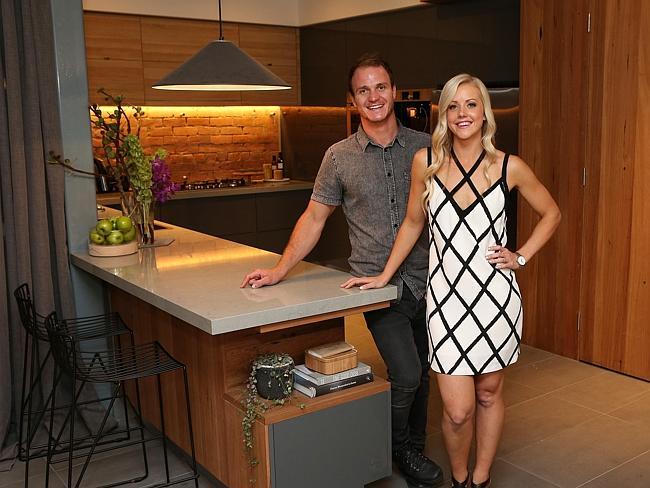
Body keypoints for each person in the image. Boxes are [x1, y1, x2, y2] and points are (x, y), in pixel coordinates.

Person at [342, 73, 561, 488]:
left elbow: (551, 213)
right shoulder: (426, 163)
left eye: (472, 105)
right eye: (454, 106)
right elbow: (412, 223)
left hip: (496, 300)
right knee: (458, 410)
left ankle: (478, 480)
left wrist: (521, 256)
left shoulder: (508, 166)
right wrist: (384, 277)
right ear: (445, 114)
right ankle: (459, 477)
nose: (463, 113)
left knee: (488, 395)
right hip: (445, 303)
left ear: (485, 114)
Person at [241, 53, 444, 488]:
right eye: (364, 89)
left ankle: (415, 446)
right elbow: (315, 218)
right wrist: (280, 269)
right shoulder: (338, 157)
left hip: (433, 279)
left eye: (381, 86)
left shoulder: (427, 146)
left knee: (425, 370)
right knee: (406, 372)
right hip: (377, 284)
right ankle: (398, 448)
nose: (374, 96)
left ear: (394, 90)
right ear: (352, 99)